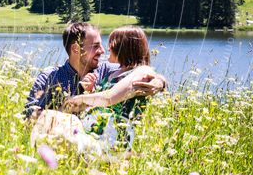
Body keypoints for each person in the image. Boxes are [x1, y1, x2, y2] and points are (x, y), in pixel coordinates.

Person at [24, 22, 164, 119]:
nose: (102, 51)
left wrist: (159, 82)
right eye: (95, 46)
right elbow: (28, 117)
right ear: (76, 49)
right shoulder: (50, 77)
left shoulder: (108, 71)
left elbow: (139, 70)